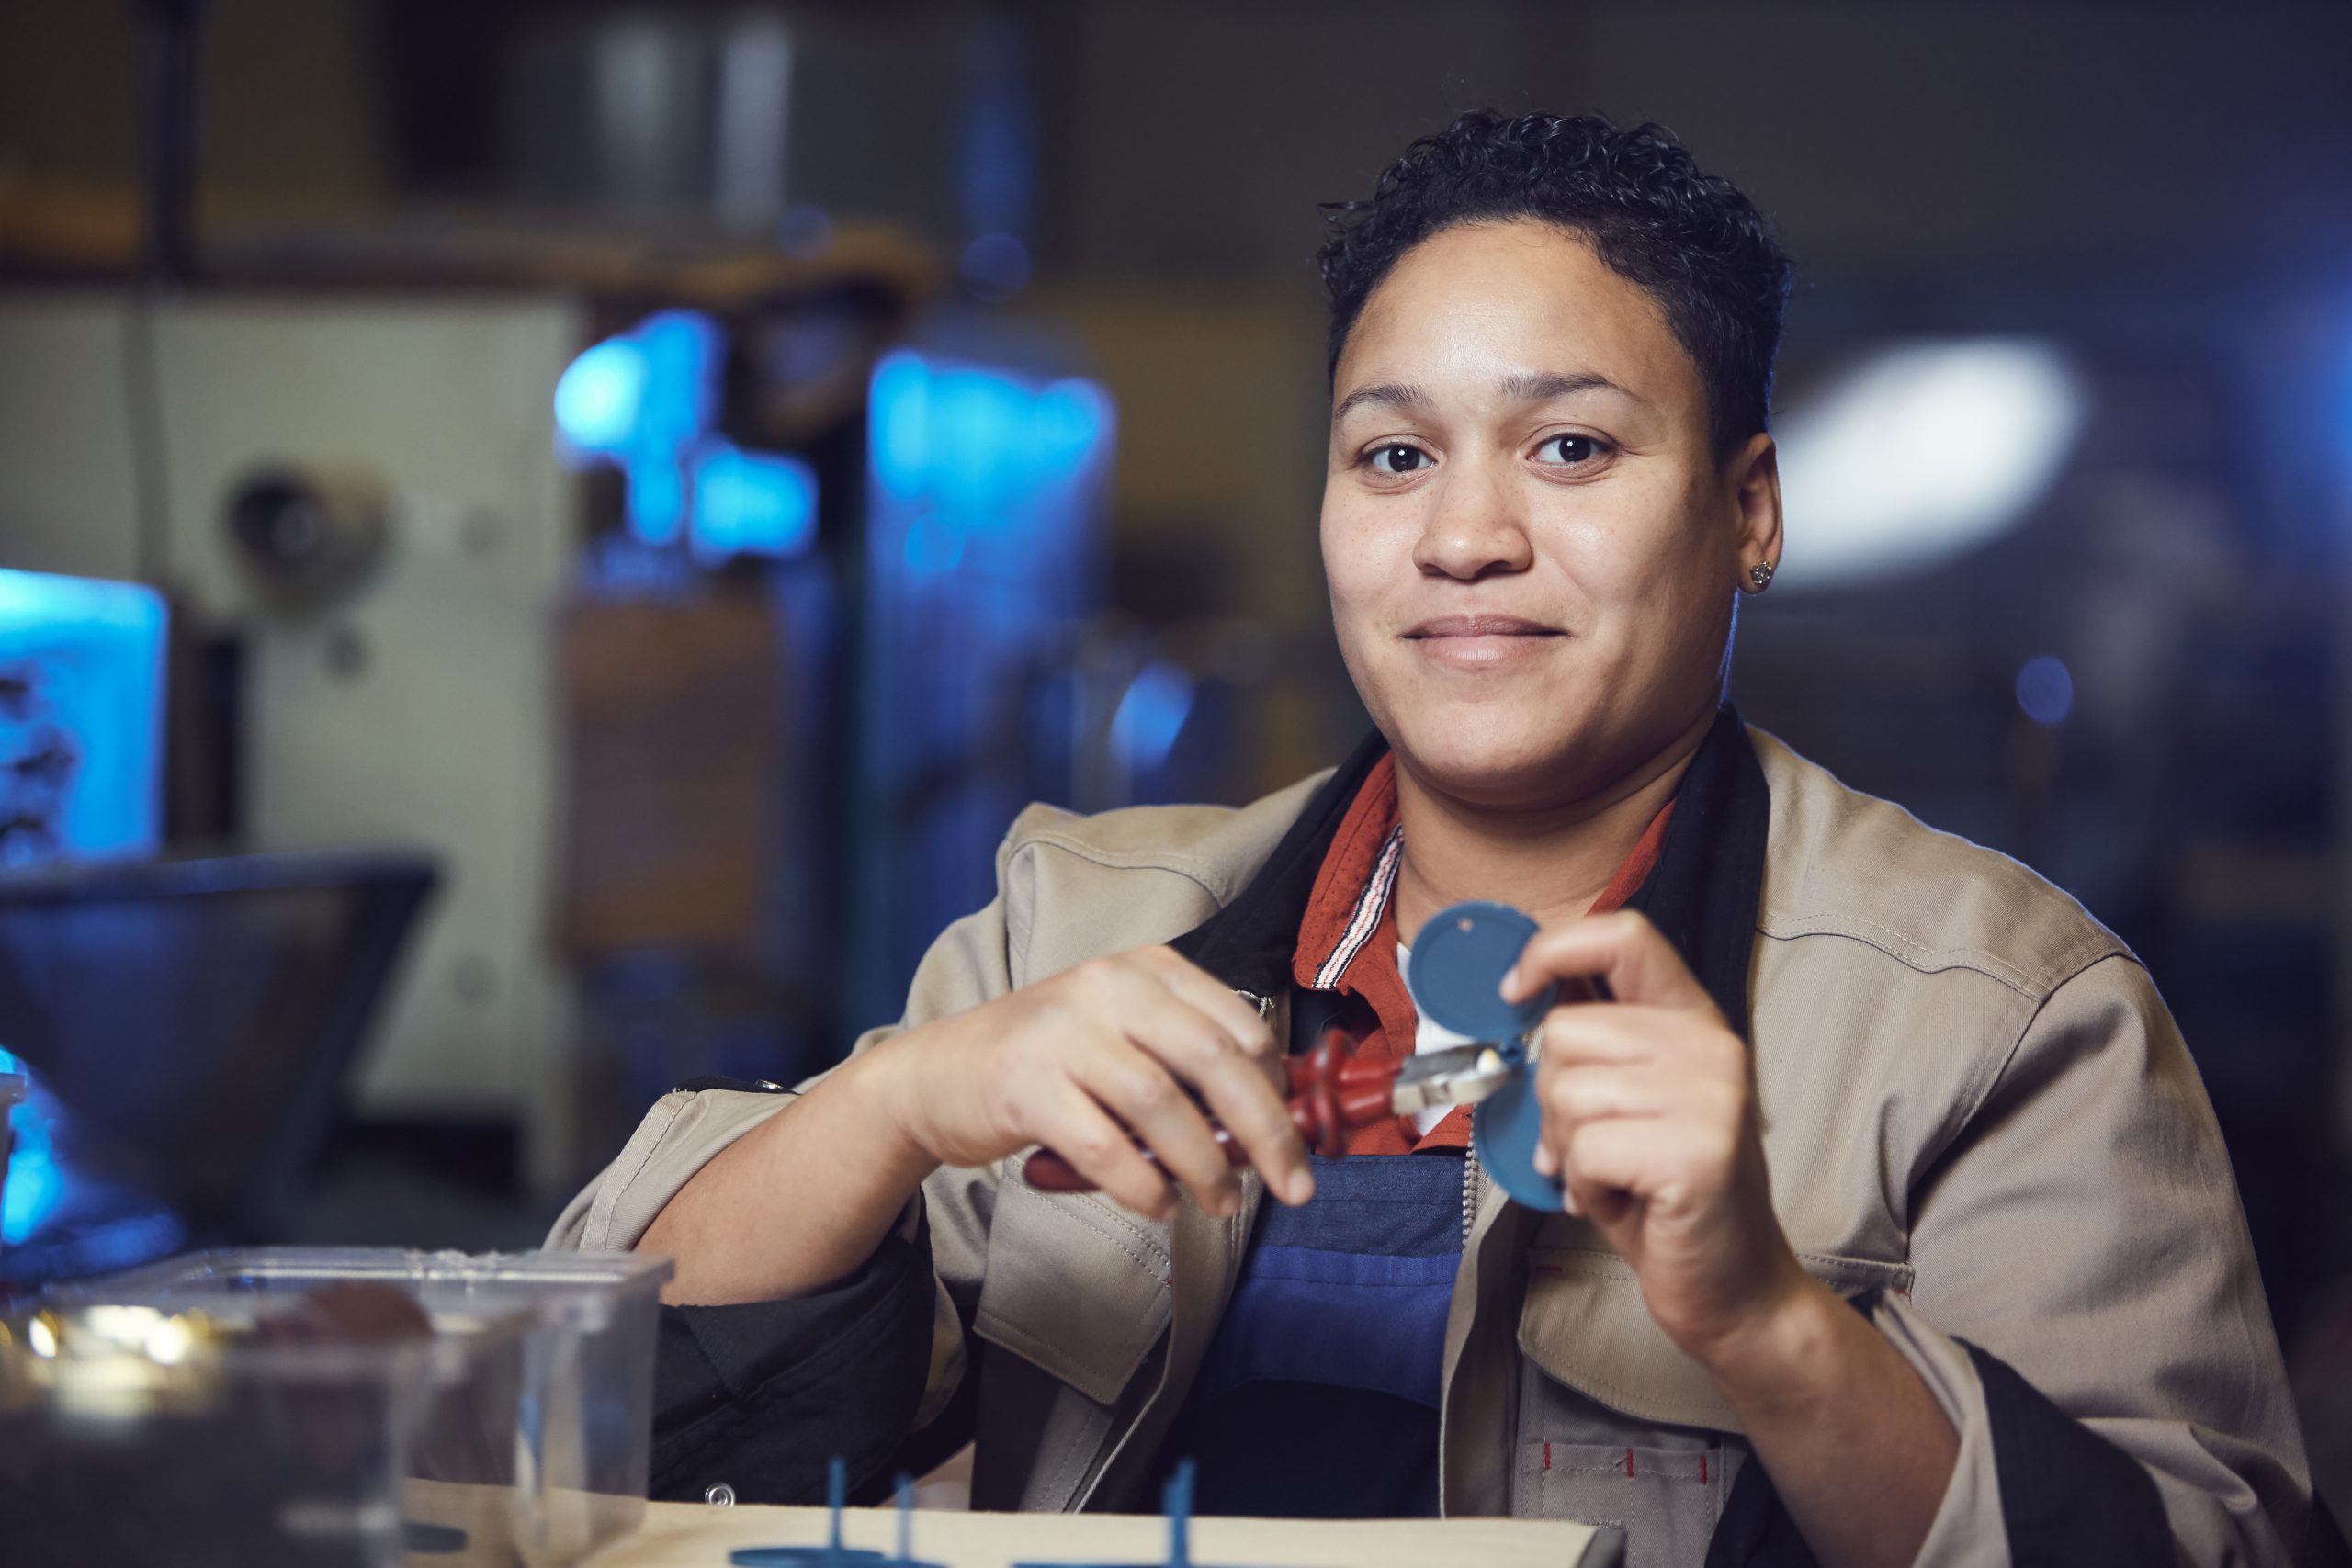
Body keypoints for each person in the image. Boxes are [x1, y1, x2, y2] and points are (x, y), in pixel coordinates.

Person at [550, 110, 2318, 1567]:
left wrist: (1774, 1323)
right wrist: (890, 1105)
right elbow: (588, 1409)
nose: (1465, 537)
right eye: (1393, 458)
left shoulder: (2004, 1023)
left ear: (1749, 511)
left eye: (1571, 447)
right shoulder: (1072, 925)